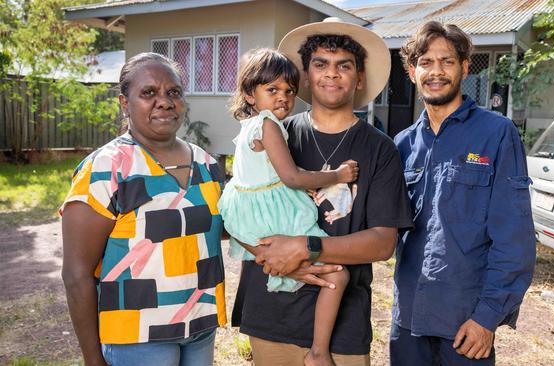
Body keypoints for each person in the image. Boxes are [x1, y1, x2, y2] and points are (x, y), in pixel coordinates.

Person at [231, 18, 413, 366]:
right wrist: (283, 262)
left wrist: (305, 248)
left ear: (359, 77)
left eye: (344, 66)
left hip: (342, 328)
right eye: (320, 65)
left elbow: (382, 243)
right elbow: (238, 207)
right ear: (307, 75)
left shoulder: (381, 149)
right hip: (272, 313)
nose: (331, 74)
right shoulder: (273, 135)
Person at [61, 53, 226, 366]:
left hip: (201, 324)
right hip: (136, 335)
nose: (164, 101)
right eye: (148, 93)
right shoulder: (106, 168)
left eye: (173, 92)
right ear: (125, 103)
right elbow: (76, 273)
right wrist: (93, 360)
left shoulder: (207, 164)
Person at [390, 21, 536, 365]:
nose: (436, 71)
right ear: (412, 72)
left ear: (465, 68)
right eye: (426, 62)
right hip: (408, 319)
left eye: (447, 61)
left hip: (465, 324)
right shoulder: (403, 145)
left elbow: (515, 239)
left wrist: (487, 317)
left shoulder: (497, 134)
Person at [218, 47, 358, 366]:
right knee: (338, 277)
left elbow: (270, 176)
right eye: (272, 90)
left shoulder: (249, 126)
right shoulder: (268, 123)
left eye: (289, 91)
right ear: (250, 94)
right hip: (271, 214)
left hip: (249, 210)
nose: (283, 97)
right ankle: (319, 352)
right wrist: (338, 174)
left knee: (310, 272)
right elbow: (292, 176)